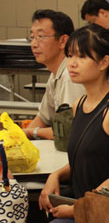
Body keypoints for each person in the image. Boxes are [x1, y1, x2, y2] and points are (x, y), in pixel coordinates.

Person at [29, 24, 109, 223]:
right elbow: (85, 159)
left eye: (82, 57)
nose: (72, 63)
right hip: (82, 210)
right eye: (70, 55)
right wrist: (55, 175)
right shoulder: (79, 104)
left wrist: (79, 208)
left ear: (104, 62)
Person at [23, 10, 85, 141]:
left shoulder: (71, 76)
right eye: (32, 37)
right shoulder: (55, 74)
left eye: (41, 36)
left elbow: (71, 131)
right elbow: (43, 117)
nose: (33, 44)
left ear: (63, 41)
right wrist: (19, 138)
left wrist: (32, 132)